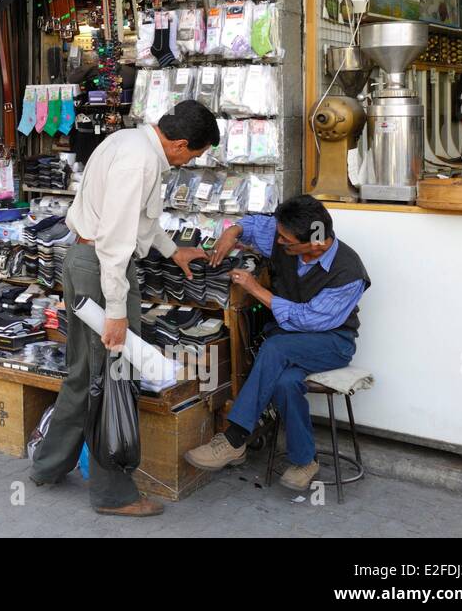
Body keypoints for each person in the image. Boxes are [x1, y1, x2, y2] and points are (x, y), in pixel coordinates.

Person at [29, 100, 220, 518]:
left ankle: (48, 465)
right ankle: (113, 493)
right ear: (181, 144)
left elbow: (139, 222)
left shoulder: (131, 142)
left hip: (86, 262)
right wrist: (116, 311)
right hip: (102, 270)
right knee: (112, 377)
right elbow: (115, 241)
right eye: (195, 155)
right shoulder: (141, 163)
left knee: (83, 374)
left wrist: (174, 252)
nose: (191, 162)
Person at [184, 195, 371, 491]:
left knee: (275, 348)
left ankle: (234, 438)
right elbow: (252, 226)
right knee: (285, 382)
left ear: (317, 243)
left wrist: (255, 288)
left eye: (286, 240)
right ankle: (305, 460)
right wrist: (232, 233)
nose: (278, 242)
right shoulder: (286, 237)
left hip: (332, 342)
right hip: (291, 341)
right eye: (279, 236)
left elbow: (308, 320)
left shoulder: (349, 273)